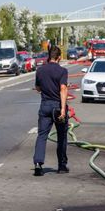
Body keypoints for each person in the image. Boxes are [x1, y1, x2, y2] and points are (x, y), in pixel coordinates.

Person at [33, 45, 69, 176]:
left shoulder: (40, 70)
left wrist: (45, 88)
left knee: (42, 135)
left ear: (49, 56)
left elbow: (37, 87)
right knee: (61, 137)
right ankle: (62, 166)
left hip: (45, 106)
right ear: (59, 58)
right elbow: (63, 89)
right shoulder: (62, 71)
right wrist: (63, 110)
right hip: (57, 107)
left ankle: (38, 163)